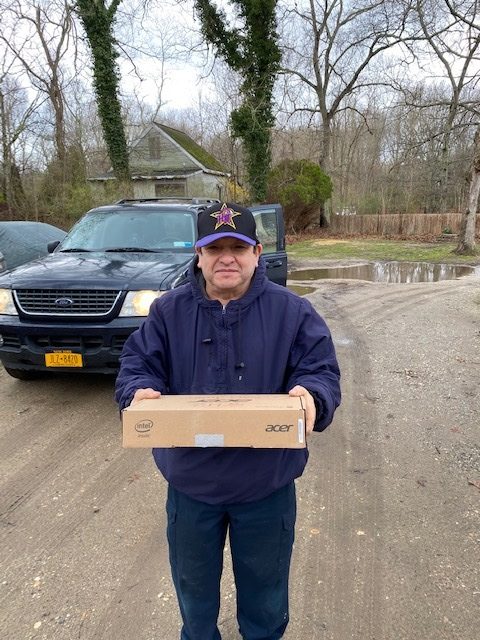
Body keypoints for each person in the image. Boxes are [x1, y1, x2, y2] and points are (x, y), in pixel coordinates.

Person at [115, 201, 341, 640]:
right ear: (198, 257)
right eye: (213, 247)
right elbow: (137, 364)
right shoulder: (167, 311)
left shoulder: (292, 312)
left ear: (257, 253)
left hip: (266, 486)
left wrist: (313, 395)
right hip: (191, 485)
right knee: (194, 596)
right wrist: (136, 391)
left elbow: (320, 370)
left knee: (265, 597)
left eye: (237, 247)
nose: (226, 258)